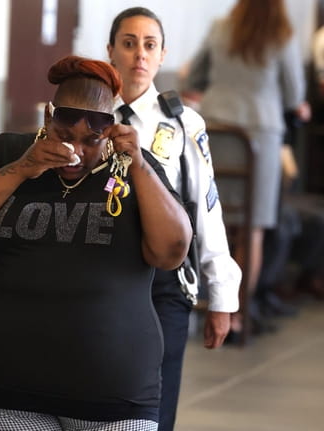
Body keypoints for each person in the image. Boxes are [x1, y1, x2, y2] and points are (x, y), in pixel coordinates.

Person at [0, 55, 193, 431]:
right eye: (64, 135)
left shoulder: (134, 166)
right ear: (48, 117)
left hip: (114, 392)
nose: (77, 151)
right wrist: (23, 168)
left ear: (110, 128)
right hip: (3, 384)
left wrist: (137, 164)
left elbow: (171, 253)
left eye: (91, 140)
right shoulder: (8, 152)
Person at [106, 7, 241, 431]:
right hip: (101, 277)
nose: (138, 56)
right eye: (128, 44)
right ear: (111, 51)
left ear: (162, 55)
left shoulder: (183, 124)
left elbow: (207, 212)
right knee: (101, 396)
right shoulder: (89, 118)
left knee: (156, 402)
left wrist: (221, 297)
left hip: (164, 282)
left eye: (149, 46)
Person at [184, 0, 310, 338]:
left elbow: (195, 75)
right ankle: (235, 316)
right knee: (251, 229)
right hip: (260, 139)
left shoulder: (219, 29)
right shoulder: (282, 36)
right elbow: (293, 94)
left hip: (217, 132)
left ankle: (199, 305)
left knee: (211, 222)